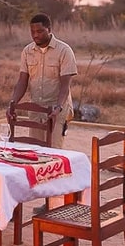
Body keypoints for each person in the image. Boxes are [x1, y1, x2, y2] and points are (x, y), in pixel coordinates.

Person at [6, 12, 77, 149]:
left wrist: (58, 107)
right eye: (32, 31)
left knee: (54, 150)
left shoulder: (64, 51)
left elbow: (65, 85)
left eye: (39, 31)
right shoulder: (27, 51)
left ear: (49, 29)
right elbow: (22, 81)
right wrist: (12, 104)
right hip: (36, 108)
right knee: (35, 150)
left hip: (57, 109)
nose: (35, 35)